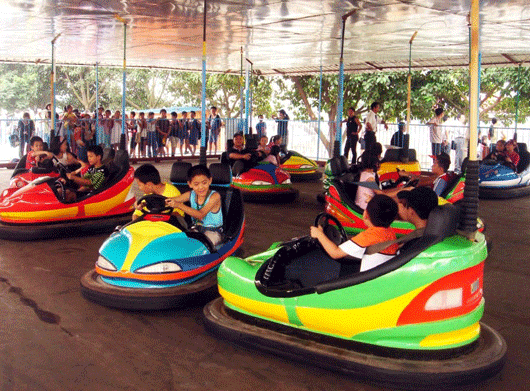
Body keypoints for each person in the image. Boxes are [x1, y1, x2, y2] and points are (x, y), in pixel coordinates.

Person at [310, 194, 399, 272]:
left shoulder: (369, 236)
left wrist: (319, 234)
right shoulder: (389, 231)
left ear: (365, 215)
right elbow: (381, 210)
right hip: (380, 274)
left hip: (367, 282)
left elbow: (335, 253)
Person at [166, 165, 224, 247]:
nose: (201, 187)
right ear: (190, 184)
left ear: (210, 181)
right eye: (196, 184)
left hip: (213, 232)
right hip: (196, 229)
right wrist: (147, 203)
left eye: (204, 183)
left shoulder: (215, 196)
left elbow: (200, 215)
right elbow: (171, 200)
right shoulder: (191, 194)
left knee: (200, 246)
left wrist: (178, 205)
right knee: (181, 242)